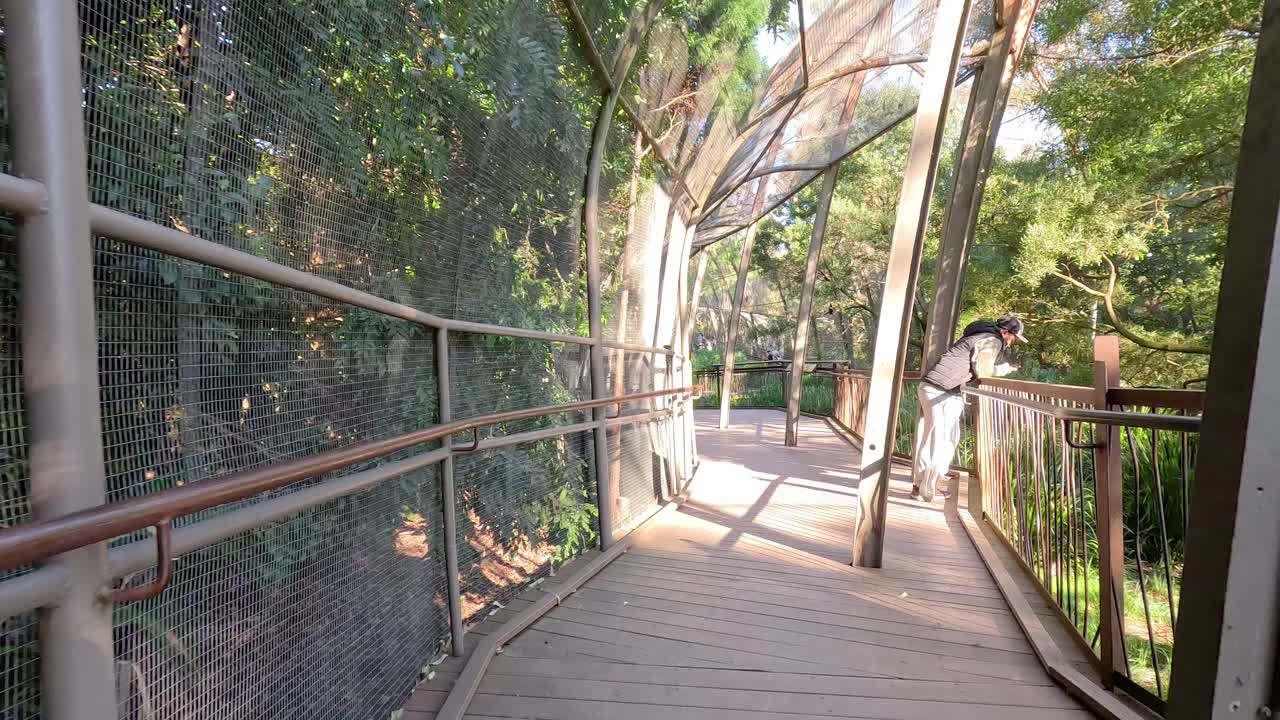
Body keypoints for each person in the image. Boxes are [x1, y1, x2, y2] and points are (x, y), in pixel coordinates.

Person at [912, 314, 1027, 502]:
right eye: (1014, 337)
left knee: (941, 437)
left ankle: (921, 485)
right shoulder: (992, 340)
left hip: (936, 388)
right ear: (1005, 332)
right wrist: (1005, 368)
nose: (1014, 342)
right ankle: (928, 487)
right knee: (942, 440)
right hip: (942, 391)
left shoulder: (979, 334)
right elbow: (985, 370)